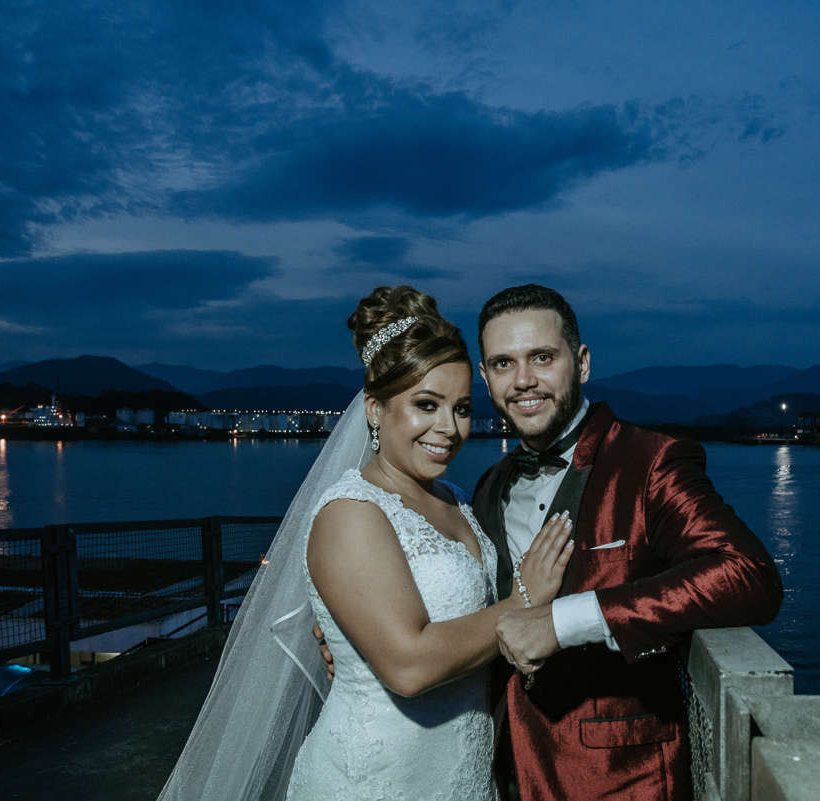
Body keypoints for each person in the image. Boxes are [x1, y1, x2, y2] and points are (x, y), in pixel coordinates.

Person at [158, 286, 573, 801]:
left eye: (462, 407)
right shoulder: (350, 513)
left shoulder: (461, 501)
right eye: (426, 405)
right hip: (375, 780)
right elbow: (407, 665)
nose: (449, 428)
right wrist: (524, 603)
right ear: (375, 409)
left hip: (463, 773)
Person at [472, 285, 785, 800]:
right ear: (485, 378)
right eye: (503, 364)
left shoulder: (651, 463)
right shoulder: (490, 485)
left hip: (621, 782)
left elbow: (749, 574)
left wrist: (566, 620)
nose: (523, 380)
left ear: (582, 362)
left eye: (542, 358)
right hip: (503, 774)